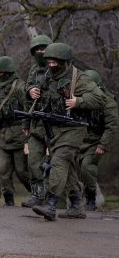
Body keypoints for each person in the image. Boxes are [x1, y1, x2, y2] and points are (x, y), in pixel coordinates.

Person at [30, 43, 104, 221]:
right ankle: (76, 204)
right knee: (67, 167)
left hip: (74, 127)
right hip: (55, 129)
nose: (51, 65)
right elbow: (37, 89)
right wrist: (30, 91)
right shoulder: (48, 75)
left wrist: (78, 101)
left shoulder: (79, 78)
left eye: (55, 62)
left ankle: (51, 204)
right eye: (49, 61)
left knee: (59, 161)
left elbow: (99, 98)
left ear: (65, 62)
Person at [76, 70, 118, 212]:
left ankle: (91, 200)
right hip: (81, 139)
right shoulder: (82, 98)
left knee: (87, 167)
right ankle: (76, 200)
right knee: (74, 169)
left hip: (97, 141)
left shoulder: (108, 102)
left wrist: (103, 145)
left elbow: (112, 126)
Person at [0, 56, 29, 206]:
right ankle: (9, 201)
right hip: (5, 135)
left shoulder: (19, 87)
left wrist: (28, 131)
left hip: (21, 135)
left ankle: (39, 196)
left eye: (1, 73)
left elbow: (28, 110)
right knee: (2, 171)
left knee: (22, 171)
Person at [21, 34, 53, 208]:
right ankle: (37, 195)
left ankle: (73, 198)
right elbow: (27, 95)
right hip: (36, 122)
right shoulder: (33, 69)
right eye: (37, 50)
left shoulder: (59, 67)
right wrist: (30, 91)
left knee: (59, 163)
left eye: (44, 49)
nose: (41, 52)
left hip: (55, 124)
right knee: (33, 162)